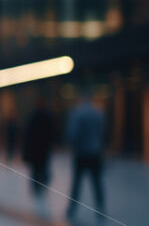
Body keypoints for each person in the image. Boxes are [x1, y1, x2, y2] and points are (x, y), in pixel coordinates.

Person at [65, 92, 105, 221]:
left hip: (81, 153)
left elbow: (72, 133)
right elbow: (102, 131)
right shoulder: (97, 113)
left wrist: (74, 144)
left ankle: (72, 208)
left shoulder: (77, 113)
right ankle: (100, 208)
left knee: (77, 183)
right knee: (96, 182)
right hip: (95, 152)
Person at [22, 98, 55, 197]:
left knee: (36, 169)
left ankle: (36, 186)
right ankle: (41, 184)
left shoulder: (32, 117)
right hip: (43, 148)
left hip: (35, 148)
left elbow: (27, 135)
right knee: (42, 167)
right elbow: (51, 133)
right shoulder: (47, 116)